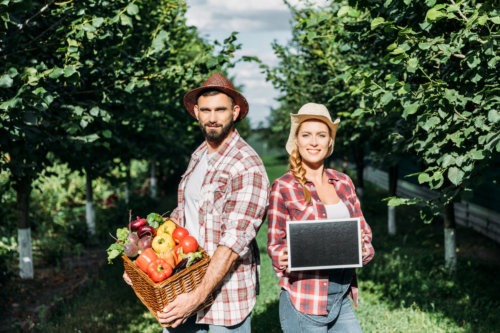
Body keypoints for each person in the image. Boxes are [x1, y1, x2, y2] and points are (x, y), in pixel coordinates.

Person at [124, 72, 270, 332]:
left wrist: (196, 299)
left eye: (220, 110)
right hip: (181, 285)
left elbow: (233, 244)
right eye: (206, 110)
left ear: (235, 112)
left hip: (223, 300)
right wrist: (142, 262)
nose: (213, 118)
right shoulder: (200, 154)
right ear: (196, 112)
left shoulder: (247, 165)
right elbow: (185, 213)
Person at [266, 103, 375, 332]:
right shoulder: (284, 186)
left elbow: (363, 233)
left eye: (321, 135)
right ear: (297, 141)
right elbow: (274, 245)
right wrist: (283, 256)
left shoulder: (343, 182)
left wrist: (364, 249)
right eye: (306, 135)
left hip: (341, 296)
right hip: (305, 299)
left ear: (329, 143)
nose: (313, 142)